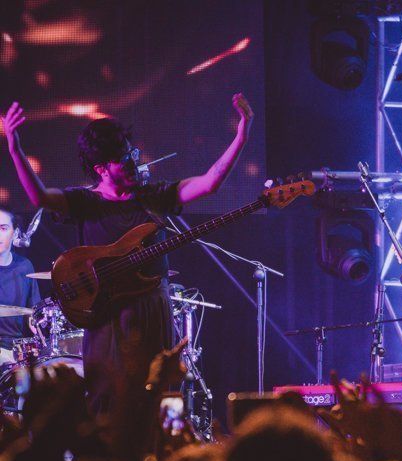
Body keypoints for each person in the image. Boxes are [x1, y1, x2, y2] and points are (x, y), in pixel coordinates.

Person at [2, 93, 253, 413]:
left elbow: (209, 183)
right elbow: (40, 197)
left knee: (154, 395)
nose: (134, 160)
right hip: (106, 316)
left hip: (151, 308)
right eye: (125, 157)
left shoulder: (153, 196)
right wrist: (15, 148)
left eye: (132, 152)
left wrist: (242, 134)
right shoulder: (86, 202)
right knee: (107, 397)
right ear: (102, 168)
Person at [0, 207, 40, 364]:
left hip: (15, 350)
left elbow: (34, 310)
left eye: (3, 228)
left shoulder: (25, 266)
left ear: (15, 234)